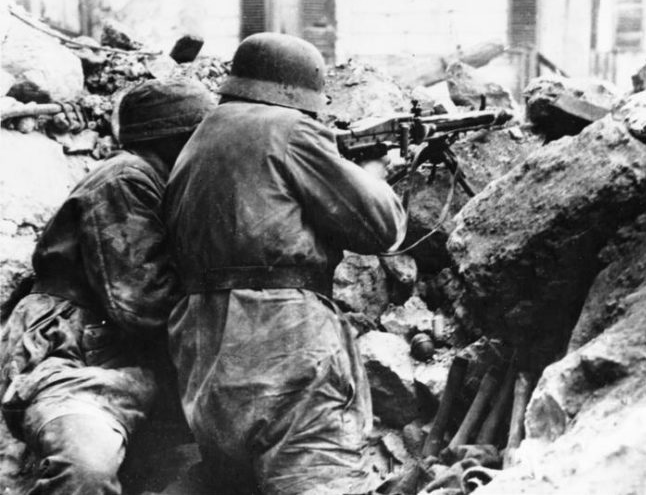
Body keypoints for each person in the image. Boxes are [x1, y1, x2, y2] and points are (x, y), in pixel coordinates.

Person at [165, 32, 407, 495]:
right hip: (282, 340)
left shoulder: (201, 136)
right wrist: (373, 174)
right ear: (300, 94)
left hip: (205, 354)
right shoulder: (291, 129)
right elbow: (382, 228)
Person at [0, 78, 215, 495]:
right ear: (178, 141)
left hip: (131, 364)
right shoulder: (124, 178)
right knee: (87, 465)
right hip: (73, 357)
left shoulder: (164, 185)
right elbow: (142, 302)